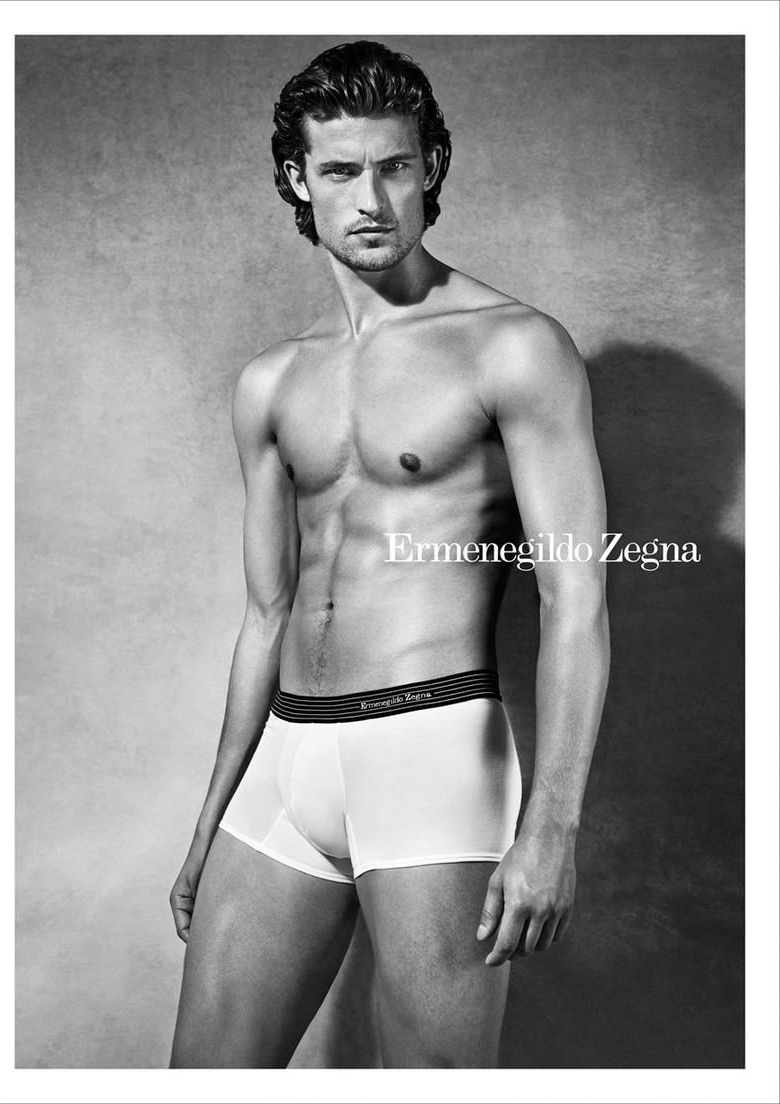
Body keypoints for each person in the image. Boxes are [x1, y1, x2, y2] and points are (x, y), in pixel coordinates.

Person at [169, 39, 610, 1069]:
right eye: (339, 171)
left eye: (393, 167)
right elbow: (265, 617)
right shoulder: (272, 382)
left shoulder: (513, 346)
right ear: (298, 180)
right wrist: (213, 814)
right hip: (287, 759)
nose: (369, 199)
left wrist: (552, 827)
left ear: (430, 167)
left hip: (429, 754)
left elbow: (576, 601)